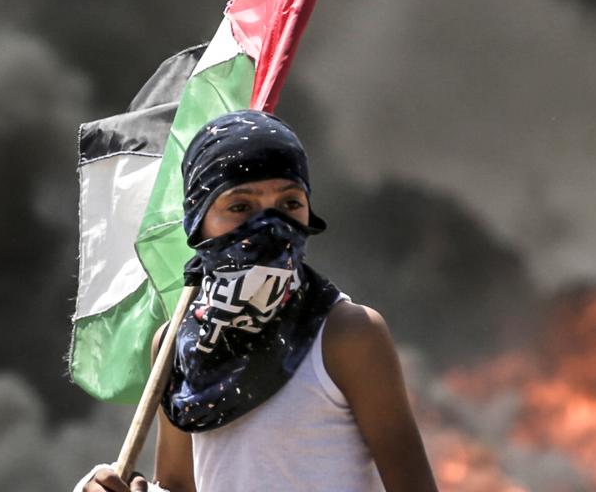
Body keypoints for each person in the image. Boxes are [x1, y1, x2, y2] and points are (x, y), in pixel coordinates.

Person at [79, 110, 438, 492]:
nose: (269, 226)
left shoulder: (347, 335)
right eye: (240, 207)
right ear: (198, 222)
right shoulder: (175, 346)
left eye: (289, 204)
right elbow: (178, 486)